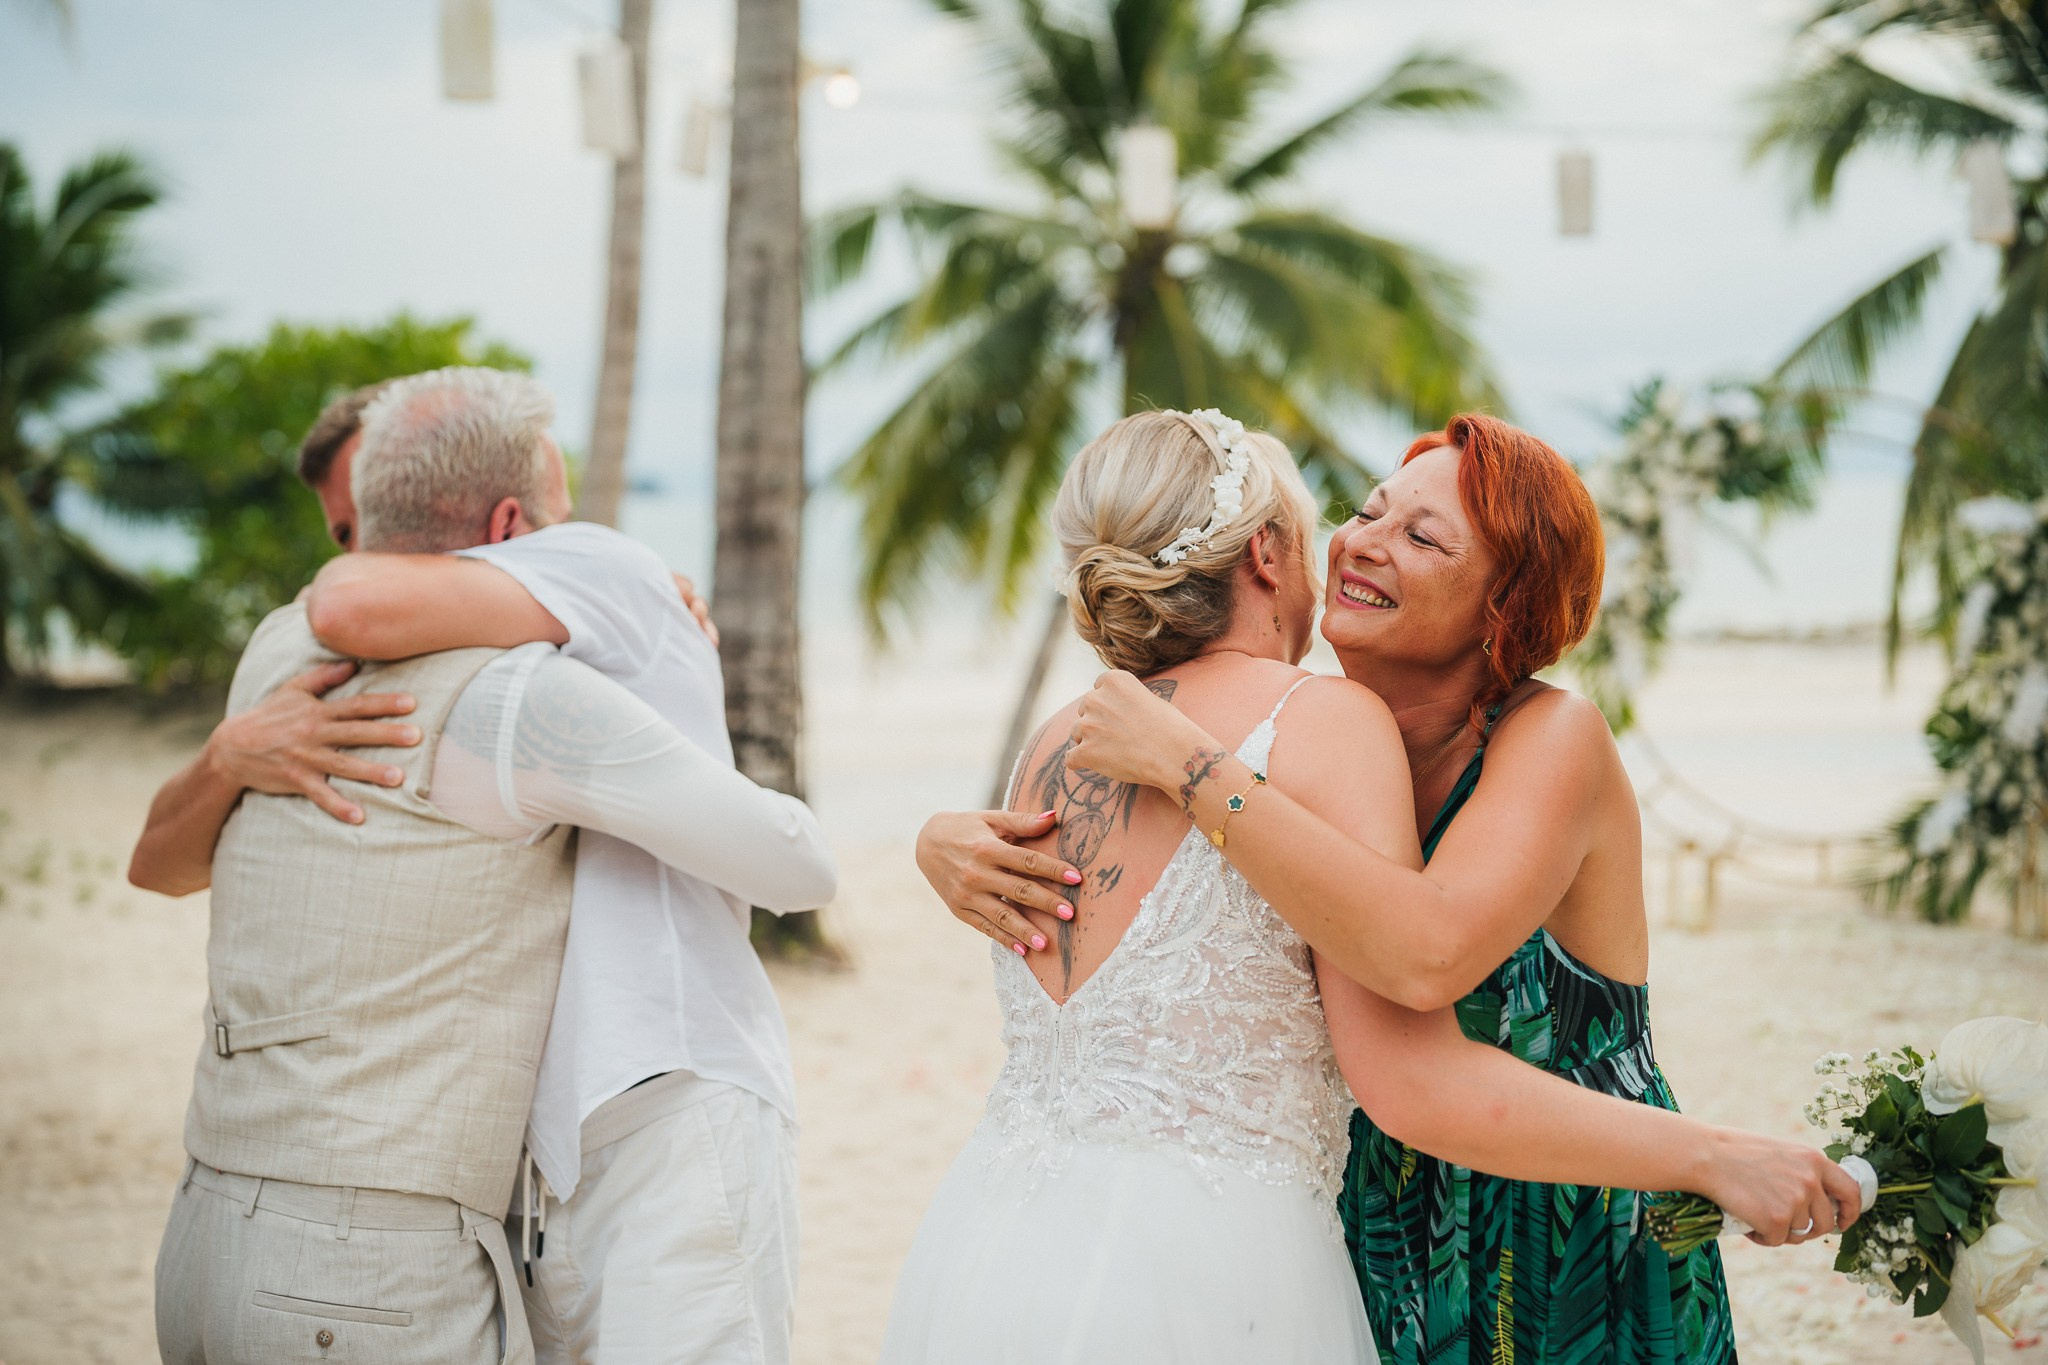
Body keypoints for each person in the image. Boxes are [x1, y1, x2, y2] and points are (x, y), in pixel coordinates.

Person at [913, 411, 1863, 1365]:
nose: (1363, 542)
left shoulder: (1552, 740)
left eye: (1422, 537)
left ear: (1505, 605)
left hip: (1565, 1231)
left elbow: (1427, 949)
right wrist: (942, 838)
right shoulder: (1312, 738)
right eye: (1368, 512)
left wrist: (1189, 766)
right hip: (1379, 1235)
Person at [144, 367, 836, 1365]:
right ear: (513, 527)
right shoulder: (511, 696)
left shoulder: (276, 651)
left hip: (212, 1225)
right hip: (383, 1254)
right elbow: (796, 865)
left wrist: (633, 601)